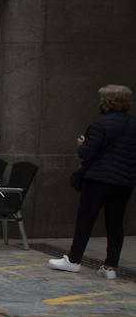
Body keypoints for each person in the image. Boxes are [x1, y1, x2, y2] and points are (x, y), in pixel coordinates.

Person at [50, 84, 136, 278]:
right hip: (124, 182)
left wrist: (82, 145)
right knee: (115, 223)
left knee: (86, 220)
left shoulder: (100, 124)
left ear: (106, 102)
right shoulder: (133, 124)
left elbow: (88, 154)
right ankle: (110, 267)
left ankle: (73, 260)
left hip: (98, 179)